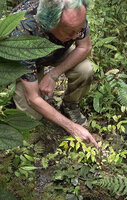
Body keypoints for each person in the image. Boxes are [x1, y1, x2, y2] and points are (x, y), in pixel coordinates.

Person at [11, 0, 98, 148]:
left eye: (79, 28)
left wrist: (53, 74)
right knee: (33, 117)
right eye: (70, 31)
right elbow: (33, 98)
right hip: (27, 57)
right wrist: (72, 127)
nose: (76, 35)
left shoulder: (75, 14)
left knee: (85, 69)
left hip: (57, 50)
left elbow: (85, 47)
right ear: (50, 23)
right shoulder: (23, 30)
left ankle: (70, 105)